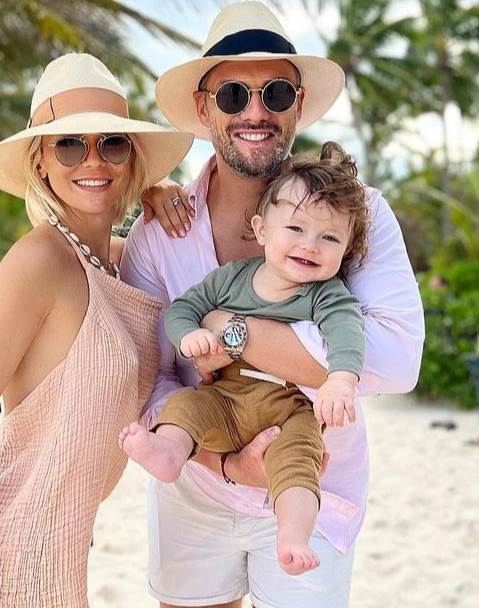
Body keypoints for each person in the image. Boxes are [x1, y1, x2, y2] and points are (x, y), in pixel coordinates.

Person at [121, 3, 425, 606]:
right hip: (195, 483)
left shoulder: (360, 212)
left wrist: (233, 331)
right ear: (204, 108)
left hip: (314, 484)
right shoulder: (158, 233)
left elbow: (398, 362)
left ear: (299, 104)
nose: (255, 112)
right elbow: (148, 376)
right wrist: (224, 463)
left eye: (276, 93)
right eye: (233, 95)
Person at [0, 54, 193, 607]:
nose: (93, 159)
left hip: (55, 548)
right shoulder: (37, 262)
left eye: (112, 143)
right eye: (70, 145)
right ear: (40, 162)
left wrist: (158, 191)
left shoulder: (119, 262)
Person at [120, 143, 368, 577]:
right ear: (261, 230)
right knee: (188, 406)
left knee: (300, 461)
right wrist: (190, 336)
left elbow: (348, 334)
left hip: (290, 408)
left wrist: (341, 380)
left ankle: (292, 534)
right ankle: (168, 452)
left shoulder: (327, 295)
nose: (310, 246)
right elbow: (182, 309)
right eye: (296, 228)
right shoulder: (233, 278)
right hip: (226, 395)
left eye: (329, 238)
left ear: (345, 250)